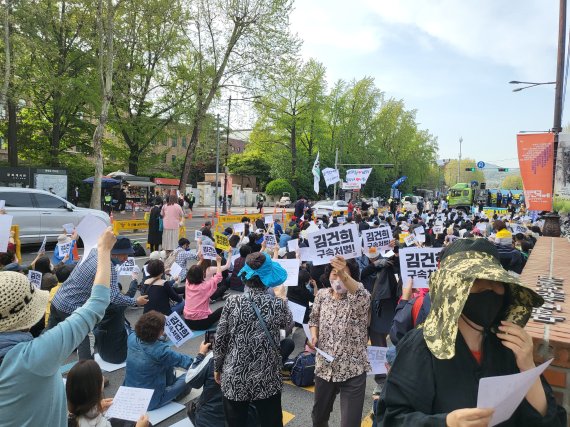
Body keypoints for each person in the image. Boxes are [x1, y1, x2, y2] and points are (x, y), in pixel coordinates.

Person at [380, 238, 566, 426]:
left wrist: (528, 366)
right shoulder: (421, 346)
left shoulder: (509, 345)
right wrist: (447, 423)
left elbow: (550, 419)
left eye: (496, 282)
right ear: (452, 289)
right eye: (477, 281)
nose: (490, 289)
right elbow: (390, 418)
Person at [0, 228, 115, 427]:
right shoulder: (32, 357)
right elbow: (97, 303)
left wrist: (78, 412)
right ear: (27, 320)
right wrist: (104, 251)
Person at [214, 252, 292, 427]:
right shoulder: (278, 304)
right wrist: (282, 298)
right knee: (270, 421)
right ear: (268, 279)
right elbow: (287, 328)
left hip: (235, 374)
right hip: (267, 376)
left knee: (235, 422)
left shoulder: (232, 302)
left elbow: (220, 339)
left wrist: (217, 367)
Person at [48, 236, 149, 359]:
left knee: (49, 340)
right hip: (71, 307)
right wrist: (135, 301)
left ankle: (39, 366)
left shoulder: (94, 252)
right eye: (124, 255)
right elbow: (114, 297)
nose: (126, 259)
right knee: (85, 340)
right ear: (114, 253)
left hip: (58, 299)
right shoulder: (107, 267)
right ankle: (88, 374)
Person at [309, 256, 371, 427]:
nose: (338, 280)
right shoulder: (322, 295)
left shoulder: (360, 297)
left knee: (350, 423)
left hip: (353, 370)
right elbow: (313, 319)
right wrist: (313, 335)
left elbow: (360, 294)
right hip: (324, 369)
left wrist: (344, 273)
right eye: (334, 275)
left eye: (343, 275)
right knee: (318, 417)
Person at [124, 311, 210, 410]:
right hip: (150, 401)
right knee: (191, 374)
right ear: (160, 332)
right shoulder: (161, 351)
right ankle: (174, 394)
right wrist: (201, 353)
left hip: (130, 392)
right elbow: (191, 364)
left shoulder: (131, 337)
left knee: (165, 364)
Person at [66, 359, 149, 427]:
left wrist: (95, 408)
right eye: (100, 376)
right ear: (96, 390)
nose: (102, 377)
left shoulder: (67, 418)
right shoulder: (100, 424)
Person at [184, 257, 224, 330]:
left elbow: (191, 272)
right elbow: (218, 277)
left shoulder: (188, 283)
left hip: (187, 321)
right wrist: (218, 262)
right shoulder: (204, 286)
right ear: (201, 275)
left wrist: (201, 260)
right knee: (223, 308)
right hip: (201, 323)